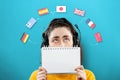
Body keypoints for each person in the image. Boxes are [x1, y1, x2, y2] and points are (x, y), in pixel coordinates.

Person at [29, 18, 96, 80]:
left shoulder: (88, 76)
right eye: (55, 40)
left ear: (74, 42)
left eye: (66, 39)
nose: (61, 45)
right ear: (47, 44)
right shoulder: (36, 77)